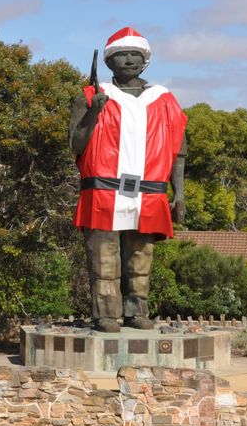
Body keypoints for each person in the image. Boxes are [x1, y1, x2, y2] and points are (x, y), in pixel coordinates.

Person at [69, 27, 187, 332]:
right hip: (104, 190)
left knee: (140, 260)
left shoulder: (163, 100)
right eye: (123, 54)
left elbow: (178, 149)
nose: (130, 60)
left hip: (148, 192)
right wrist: (93, 114)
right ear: (109, 61)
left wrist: (180, 193)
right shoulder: (93, 96)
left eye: (136, 54)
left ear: (145, 59)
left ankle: (137, 311)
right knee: (104, 261)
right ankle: (106, 315)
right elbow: (75, 144)